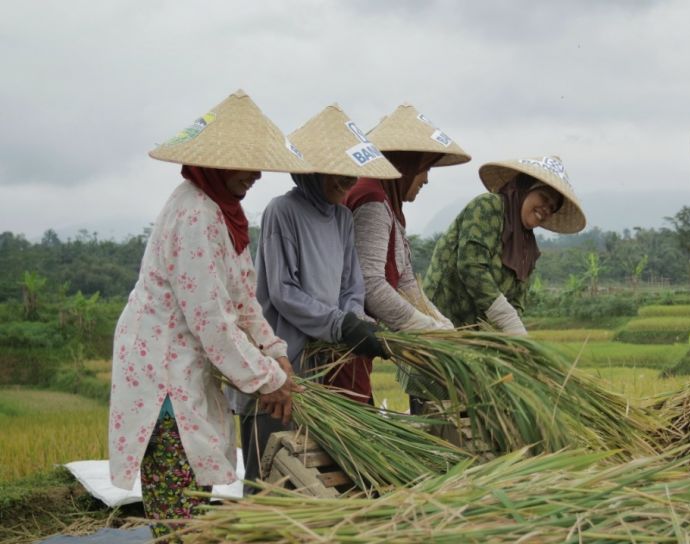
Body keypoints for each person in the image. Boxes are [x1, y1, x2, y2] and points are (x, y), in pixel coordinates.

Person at [108, 90, 311, 539]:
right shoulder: (195, 215)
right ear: (217, 163)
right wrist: (270, 381)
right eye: (249, 163)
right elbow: (214, 324)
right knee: (180, 513)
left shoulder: (226, 213)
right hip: (163, 374)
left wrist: (275, 353)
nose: (258, 174)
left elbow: (242, 299)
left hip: (186, 366)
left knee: (194, 499)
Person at [227, 105, 400, 484]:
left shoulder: (341, 218)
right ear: (312, 170)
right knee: (268, 470)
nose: (348, 181)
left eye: (351, 171)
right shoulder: (282, 212)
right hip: (280, 366)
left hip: (322, 369)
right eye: (338, 172)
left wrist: (352, 320)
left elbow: (351, 284)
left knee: (307, 472)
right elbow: (283, 292)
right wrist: (339, 325)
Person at [343, 104, 470, 412]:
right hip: (345, 338)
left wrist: (441, 325)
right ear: (406, 164)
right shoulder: (373, 199)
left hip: (357, 339)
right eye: (424, 167)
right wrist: (423, 328)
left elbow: (406, 280)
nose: (425, 179)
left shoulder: (388, 202)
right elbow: (371, 284)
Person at [424, 155, 586, 336]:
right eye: (544, 196)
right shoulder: (488, 206)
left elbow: (518, 299)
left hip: (475, 335)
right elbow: (471, 267)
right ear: (525, 188)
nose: (546, 208)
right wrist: (507, 319)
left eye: (553, 207)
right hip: (441, 322)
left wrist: (511, 335)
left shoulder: (528, 248)